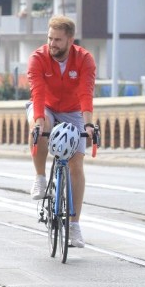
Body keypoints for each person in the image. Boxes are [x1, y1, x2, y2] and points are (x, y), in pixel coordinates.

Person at [26, 15, 96, 248]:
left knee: (76, 164)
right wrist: (37, 121)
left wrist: (88, 124)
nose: (52, 44)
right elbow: (37, 92)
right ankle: (40, 177)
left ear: (70, 40)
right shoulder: (38, 58)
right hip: (44, 106)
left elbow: (86, 93)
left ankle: (74, 226)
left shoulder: (85, 59)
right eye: (49, 38)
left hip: (73, 110)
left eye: (57, 40)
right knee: (42, 126)